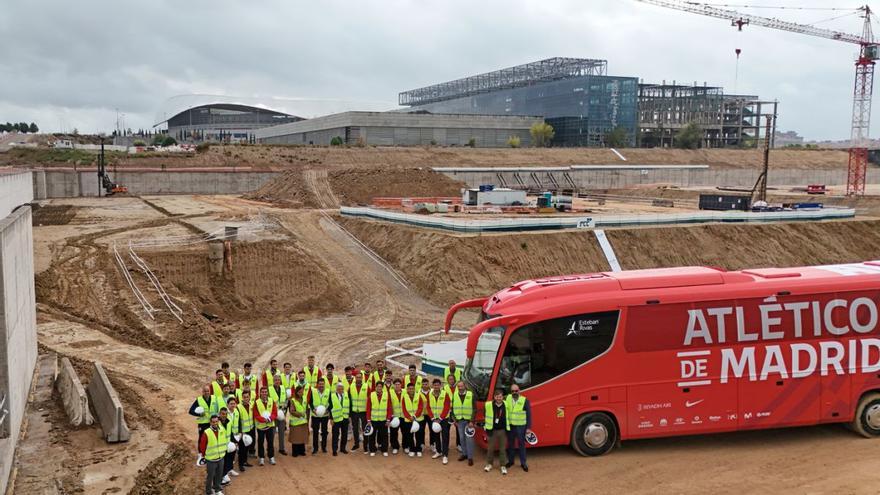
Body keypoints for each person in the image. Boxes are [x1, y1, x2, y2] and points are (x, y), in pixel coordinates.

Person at [505, 384, 532, 472]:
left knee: (521, 445)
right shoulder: (508, 398)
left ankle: (523, 463)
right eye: (512, 391)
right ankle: (511, 461)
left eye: (516, 391)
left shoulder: (524, 400)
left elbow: (529, 415)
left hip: (521, 427)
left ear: (519, 390)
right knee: (510, 445)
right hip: (511, 427)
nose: (514, 392)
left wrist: (528, 428)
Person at [199, 415, 227, 495]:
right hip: (211, 459)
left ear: (218, 421)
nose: (215, 423)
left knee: (219, 475)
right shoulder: (207, 432)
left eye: (216, 421)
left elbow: (224, 440)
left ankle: (217, 489)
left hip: (221, 457)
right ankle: (209, 492)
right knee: (210, 476)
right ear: (210, 422)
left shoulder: (222, 429)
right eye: (213, 422)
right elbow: (202, 446)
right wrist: (204, 455)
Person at [452, 380, 477, 466]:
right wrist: (454, 419)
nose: (460, 388)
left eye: (461, 386)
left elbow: (474, 408)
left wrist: (472, 421)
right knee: (462, 438)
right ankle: (464, 454)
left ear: (465, 386)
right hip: (459, 421)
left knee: (469, 439)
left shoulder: (470, 395)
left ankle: (470, 457)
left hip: (468, 421)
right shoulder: (454, 395)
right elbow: (452, 408)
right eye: (458, 386)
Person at [426, 378, 451, 464]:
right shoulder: (429, 394)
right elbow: (428, 407)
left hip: (443, 419)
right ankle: (438, 451)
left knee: (445, 436)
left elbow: (447, 407)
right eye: (435, 385)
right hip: (434, 419)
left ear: (440, 386)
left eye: (438, 385)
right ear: (432, 386)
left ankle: (445, 455)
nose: (436, 386)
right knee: (436, 435)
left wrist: (440, 418)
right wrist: (432, 418)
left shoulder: (445, 394)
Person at [484, 388, 509, 475]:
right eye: (497, 397)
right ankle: (489, 464)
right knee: (490, 449)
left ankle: (503, 465)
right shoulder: (488, 405)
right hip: (492, 430)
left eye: (500, 397)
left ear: (503, 397)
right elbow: (485, 415)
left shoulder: (506, 404)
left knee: (502, 449)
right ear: (494, 397)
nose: (499, 398)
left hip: (502, 430)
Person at [190, 384, 220, 450]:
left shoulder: (214, 398)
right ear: (202, 392)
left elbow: (218, 409)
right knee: (202, 438)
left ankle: (210, 451)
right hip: (203, 424)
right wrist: (199, 414)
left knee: (212, 437)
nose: (207, 392)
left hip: (213, 423)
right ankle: (200, 453)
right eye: (205, 391)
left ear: (210, 391)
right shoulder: (199, 400)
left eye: (208, 391)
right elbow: (191, 411)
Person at [366, 382, 392, 457]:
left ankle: (384, 450)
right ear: (375, 387)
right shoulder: (371, 395)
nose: (379, 388)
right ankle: (372, 449)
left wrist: (388, 419)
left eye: (380, 387)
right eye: (378, 386)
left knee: (384, 435)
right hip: (373, 420)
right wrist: (368, 420)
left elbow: (389, 408)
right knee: (372, 435)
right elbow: (368, 408)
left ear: (382, 387)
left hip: (383, 419)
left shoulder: (386, 395)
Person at [253, 387, 277, 466]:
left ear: (267, 393)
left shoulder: (271, 401)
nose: (264, 393)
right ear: (260, 393)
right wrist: (264, 420)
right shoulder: (256, 402)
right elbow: (256, 414)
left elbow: (274, 412)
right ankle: (261, 458)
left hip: (270, 426)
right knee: (260, 442)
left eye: (265, 392)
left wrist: (270, 419)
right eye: (262, 392)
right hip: (261, 427)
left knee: (270, 442)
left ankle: (271, 457)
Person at [401, 382, 426, 457]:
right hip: (408, 420)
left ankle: (418, 449)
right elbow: (404, 409)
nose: (411, 390)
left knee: (419, 435)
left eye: (412, 388)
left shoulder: (419, 396)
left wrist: (414, 416)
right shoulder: (404, 397)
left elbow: (420, 407)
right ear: (407, 390)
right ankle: (412, 449)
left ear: (415, 389)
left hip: (418, 419)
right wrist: (409, 417)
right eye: (409, 389)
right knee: (409, 435)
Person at [307, 379, 331, 454]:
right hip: (315, 415)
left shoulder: (328, 391)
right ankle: (315, 448)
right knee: (315, 432)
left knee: (324, 432)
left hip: (325, 415)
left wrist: (328, 410)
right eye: (320, 384)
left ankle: (324, 447)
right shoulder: (313, 391)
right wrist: (313, 409)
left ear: (324, 384)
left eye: (322, 384)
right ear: (317, 384)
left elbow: (331, 402)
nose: (321, 385)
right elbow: (310, 402)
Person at [348, 372, 369, 452]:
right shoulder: (351, 386)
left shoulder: (366, 386)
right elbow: (349, 399)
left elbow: (370, 399)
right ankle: (356, 445)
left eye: (360, 377)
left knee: (365, 429)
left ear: (362, 378)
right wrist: (349, 412)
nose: (358, 379)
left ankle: (365, 446)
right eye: (357, 377)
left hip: (363, 412)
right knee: (355, 429)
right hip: (354, 412)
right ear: (355, 378)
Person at [269, 374, 288, 456]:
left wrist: (284, 414)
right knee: (272, 433)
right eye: (276, 380)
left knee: (281, 432)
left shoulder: (283, 388)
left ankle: (281, 448)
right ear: (273, 381)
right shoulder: (269, 389)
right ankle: (270, 449)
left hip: (282, 414)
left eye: (278, 380)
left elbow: (286, 401)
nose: (277, 381)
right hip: (273, 415)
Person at [287, 385, 309, 457]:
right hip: (295, 422)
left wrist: (307, 418)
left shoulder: (305, 398)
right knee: (295, 438)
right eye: (299, 392)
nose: (301, 393)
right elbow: (292, 411)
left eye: (302, 392)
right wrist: (300, 414)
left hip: (303, 422)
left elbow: (306, 408)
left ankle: (302, 451)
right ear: (296, 392)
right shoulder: (293, 400)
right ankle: (295, 452)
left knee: (302, 437)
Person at [329, 382, 350, 456]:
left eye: (342, 388)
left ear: (343, 389)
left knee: (344, 435)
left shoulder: (347, 395)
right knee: (335, 435)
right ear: (336, 389)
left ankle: (343, 448)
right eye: (339, 389)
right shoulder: (332, 396)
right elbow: (330, 407)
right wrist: (331, 419)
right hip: (336, 419)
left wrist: (349, 416)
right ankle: (334, 450)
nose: (340, 390)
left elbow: (349, 406)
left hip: (345, 418)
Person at [235, 391, 255, 471]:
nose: (246, 398)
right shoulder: (238, 407)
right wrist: (240, 431)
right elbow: (238, 420)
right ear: (242, 398)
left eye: (247, 397)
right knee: (242, 448)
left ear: (249, 397)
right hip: (243, 431)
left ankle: (245, 461)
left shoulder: (251, 405)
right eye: (244, 397)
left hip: (250, 429)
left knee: (247, 447)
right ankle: (240, 464)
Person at [218, 406, 235, 486]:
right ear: (219, 414)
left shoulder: (229, 422)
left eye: (225, 414)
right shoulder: (216, 423)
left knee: (227, 461)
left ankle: (224, 475)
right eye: (222, 414)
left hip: (228, 446)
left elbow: (230, 433)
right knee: (221, 464)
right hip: (220, 447)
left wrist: (234, 442)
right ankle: (220, 480)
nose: (224, 415)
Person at [388, 378, 403, 454]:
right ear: (393, 385)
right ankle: (395, 446)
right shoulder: (390, 393)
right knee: (394, 432)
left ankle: (405, 445)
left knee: (405, 431)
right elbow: (389, 404)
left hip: (403, 416)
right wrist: (391, 415)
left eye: (398, 384)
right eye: (396, 384)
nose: (397, 386)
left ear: (401, 385)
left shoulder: (405, 392)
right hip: (394, 416)